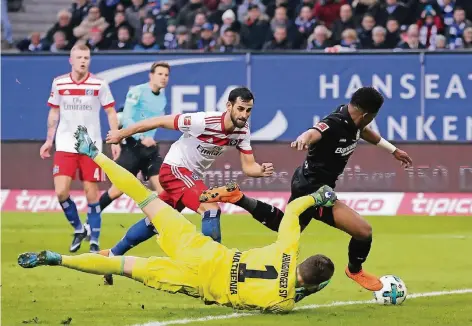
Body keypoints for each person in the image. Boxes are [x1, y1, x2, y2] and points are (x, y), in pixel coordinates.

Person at [18, 126, 336, 313]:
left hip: (200, 250)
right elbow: (286, 295)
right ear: (316, 285)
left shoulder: (288, 249)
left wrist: (317, 197)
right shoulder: (283, 303)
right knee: (122, 266)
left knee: (145, 197)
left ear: (303, 259)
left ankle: (94, 153)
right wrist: (304, 290)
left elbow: (293, 211)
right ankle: (57, 259)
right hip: (197, 281)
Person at [200, 87, 413, 292]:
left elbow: (365, 132)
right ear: (368, 114)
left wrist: (393, 150)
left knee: (291, 226)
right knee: (360, 231)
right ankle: (354, 270)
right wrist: (304, 138)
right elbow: (316, 131)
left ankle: (239, 197)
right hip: (311, 189)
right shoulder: (335, 123)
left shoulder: (354, 119)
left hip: (318, 187)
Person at [101, 87, 274, 284]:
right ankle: (212, 272)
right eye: (241, 109)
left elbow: (248, 166)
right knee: (210, 208)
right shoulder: (203, 121)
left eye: (248, 110)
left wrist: (260, 170)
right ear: (229, 106)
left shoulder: (242, 131)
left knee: (156, 220)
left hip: (188, 177)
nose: (244, 115)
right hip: (175, 169)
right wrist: (121, 134)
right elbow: (159, 121)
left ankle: (112, 256)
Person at [40, 44, 120, 253]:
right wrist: (49, 140)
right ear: (71, 60)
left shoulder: (99, 84)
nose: (83, 61)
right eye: (79, 57)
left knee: (91, 195)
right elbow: (54, 113)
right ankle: (78, 228)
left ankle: (94, 242)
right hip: (65, 144)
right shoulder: (59, 83)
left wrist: (116, 138)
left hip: (90, 146)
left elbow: (111, 112)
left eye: (86, 57)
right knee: (61, 192)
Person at [99, 61, 169, 212]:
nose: (163, 78)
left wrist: (150, 138)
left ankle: (163, 227)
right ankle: (91, 219)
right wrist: (143, 137)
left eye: (166, 75)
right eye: (160, 74)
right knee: (116, 191)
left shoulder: (162, 98)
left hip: (150, 149)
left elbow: (154, 122)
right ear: (151, 76)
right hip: (133, 145)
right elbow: (127, 119)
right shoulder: (137, 91)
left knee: (163, 190)